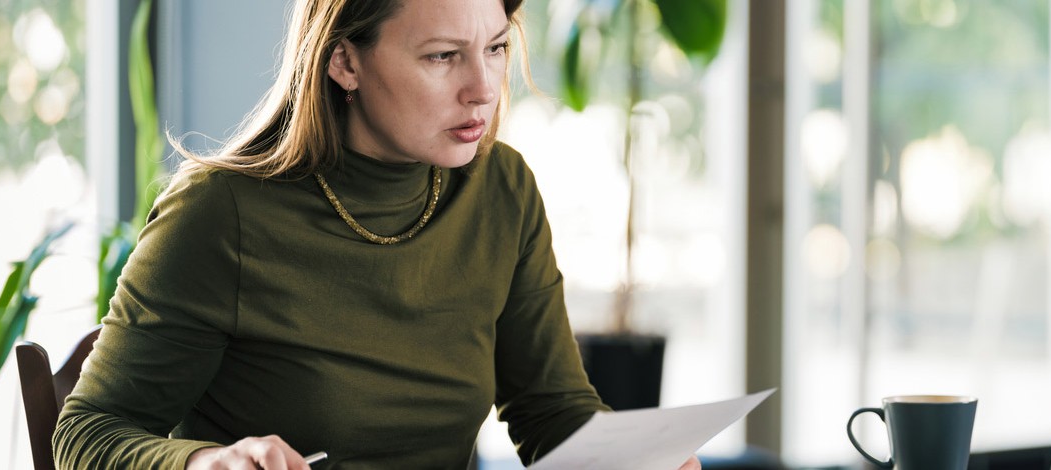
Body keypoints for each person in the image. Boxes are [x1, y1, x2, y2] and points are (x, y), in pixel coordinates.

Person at [52, 0, 701, 468]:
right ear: (344, 63)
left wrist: (637, 458)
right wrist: (206, 464)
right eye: (443, 56)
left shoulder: (501, 189)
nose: (482, 89)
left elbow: (551, 410)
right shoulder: (220, 216)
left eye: (496, 47)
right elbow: (84, 435)